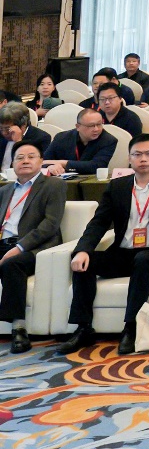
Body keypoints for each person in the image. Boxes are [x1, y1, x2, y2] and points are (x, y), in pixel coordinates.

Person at [62, 134, 149, 356]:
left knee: (142, 260)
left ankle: (130, 327)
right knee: (84, 262)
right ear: (129, 158)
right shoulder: (117, 186)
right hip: (122, 253)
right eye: (137, 154)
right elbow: (99, 223)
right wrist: (83, 250)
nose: (143, 159)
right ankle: (83, 327)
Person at [0, 142, 64, 352]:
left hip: (35, 248)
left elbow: (50, 224)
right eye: (19, 158)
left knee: (12, 264)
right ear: (12, 163)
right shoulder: (5, 190)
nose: (25, 161)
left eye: (31, 156)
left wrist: (20, 247)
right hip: (3, 243)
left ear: (41, 161)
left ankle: (18, 328)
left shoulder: (53, 185)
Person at [42, 108, 117, 177]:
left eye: (99, 124)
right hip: (62, 181)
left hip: (93, 181)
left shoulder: (108, 140)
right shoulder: (62, 138)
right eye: (91, 126)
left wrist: (64, 163)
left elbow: (96, 166)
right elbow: (43, 161)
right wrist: (50, 166)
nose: (96, 129)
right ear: (78, 127)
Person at [0, 103, 51, 174]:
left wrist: (18, 142)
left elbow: (35, 166)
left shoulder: (41, 138)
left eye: (7, 129)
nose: (4, 133)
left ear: (23, 124)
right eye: (1, 128)